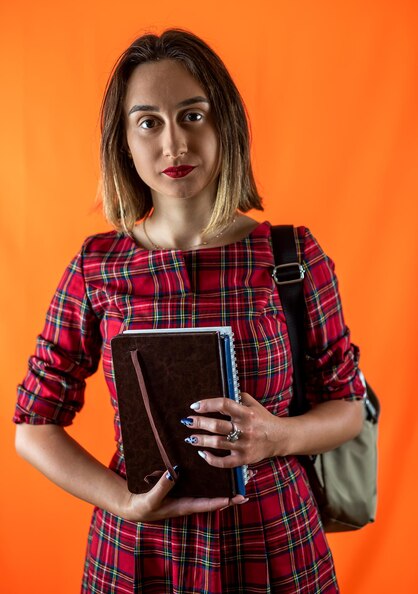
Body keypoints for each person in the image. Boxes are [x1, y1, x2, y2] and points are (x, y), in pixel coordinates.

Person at [14, 29, 365, 593]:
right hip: (137, 553)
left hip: (275, 541)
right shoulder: (96, 266)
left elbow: (349, 408)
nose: (174, 144)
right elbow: (33, 428)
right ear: (123, 141)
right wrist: (122, 503)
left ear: (224, 122)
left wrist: (275, 436)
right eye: (148, 122)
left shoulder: (291, 258)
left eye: (193, 115)